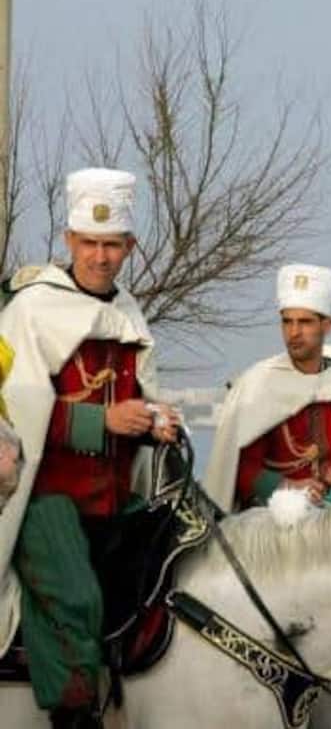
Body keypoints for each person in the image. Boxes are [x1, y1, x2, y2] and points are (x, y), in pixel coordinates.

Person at [0, 168, 179, 727]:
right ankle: (74, 718)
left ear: (130, 247)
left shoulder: (128, 312)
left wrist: (158, 421)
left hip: (112, 500)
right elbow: (14, 411)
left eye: (112, 245)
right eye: (90, 243)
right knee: (76, 597)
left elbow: (143, 397)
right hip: (43, 497)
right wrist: (102, 421)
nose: (100, 257)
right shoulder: (30, 309)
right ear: (69, 241)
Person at [203, 264, 331, 510]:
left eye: (305, 322)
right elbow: (236, 465)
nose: (294, 332)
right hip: (277, 520)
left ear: (326, 326)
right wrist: (287, 486)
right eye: (287, 322)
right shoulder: (258, 384)